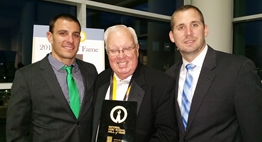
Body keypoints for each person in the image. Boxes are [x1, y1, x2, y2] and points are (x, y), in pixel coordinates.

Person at [166, 5, 262, 142]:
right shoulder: (168, 77)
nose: (188, 33)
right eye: (181, 27)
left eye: (194, 25)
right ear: (172, 36)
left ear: (205, 30)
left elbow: (255, 132)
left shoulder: (238, 69)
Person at [6, 13, 98, 142]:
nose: (70, 40)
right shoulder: (27, 76)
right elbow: (16, 132)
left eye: (75, 35)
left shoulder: (90, 70)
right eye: (63, 33)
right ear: (50, 37)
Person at [91, 25, 179, 142]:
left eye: (127, 48)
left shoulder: (161, 84)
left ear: (137, 49)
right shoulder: (100, 79)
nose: (121, 56)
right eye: (114, 50)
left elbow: (167, 134)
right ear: (107, 53)